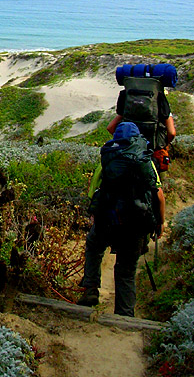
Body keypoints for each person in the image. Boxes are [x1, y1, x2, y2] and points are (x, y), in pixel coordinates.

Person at [77, 121, 166, 316]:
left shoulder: (109, 157)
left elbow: (94, 191)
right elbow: (158, 195)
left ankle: (91, 290)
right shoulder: (145, 159)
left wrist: (96, 213)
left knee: (93, 246)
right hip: (136, 225)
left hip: (108, 220)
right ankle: (125, 314)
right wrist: (159, 223)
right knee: (126, 269)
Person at [107, 83, 176, 174]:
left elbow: (110, 127)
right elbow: (172, 133)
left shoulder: (129, 110)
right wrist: (164, 145)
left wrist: (123, 140)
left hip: (129, 153)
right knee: (154, 183)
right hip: (153, 155)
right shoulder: (164, 111)